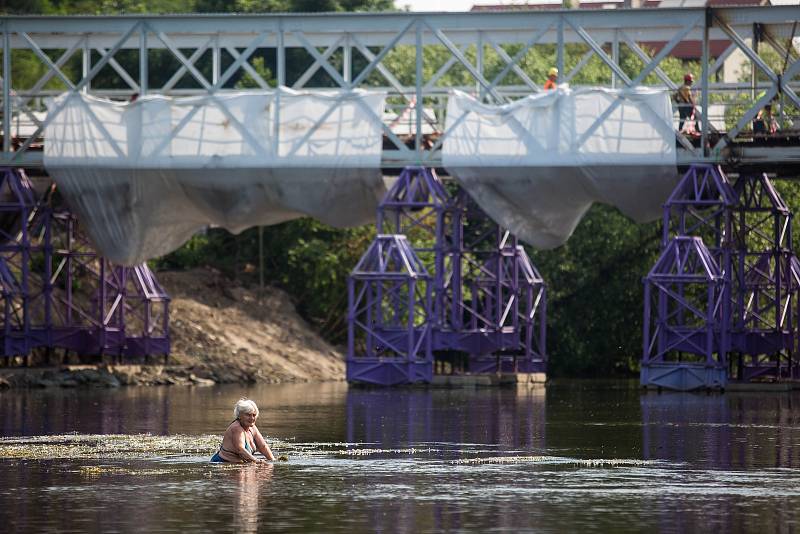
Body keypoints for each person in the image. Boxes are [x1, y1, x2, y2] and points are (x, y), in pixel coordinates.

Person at [211, 398, 276, 463]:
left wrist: (273, 461)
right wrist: (257, 461)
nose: (252, 418)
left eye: (254, 415)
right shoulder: (236, 428)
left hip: (240, 464)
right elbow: (241, 450)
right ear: (239, 415)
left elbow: (263, 446)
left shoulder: (252, 428)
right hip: (222, 462)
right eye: (248, 415)